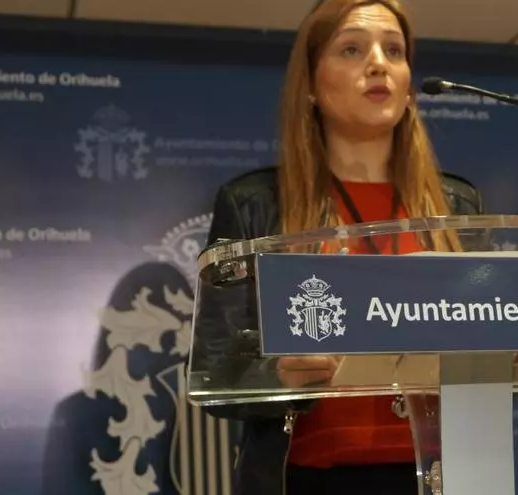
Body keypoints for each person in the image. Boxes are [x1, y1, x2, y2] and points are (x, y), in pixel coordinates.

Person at [200, 1, 484, 494]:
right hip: (311, 479)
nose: (378, 64)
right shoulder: (255, 203)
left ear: (408, 86)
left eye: (393, 51)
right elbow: (214, 369)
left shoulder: (459, 204)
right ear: (310, 85)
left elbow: (493, 356)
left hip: (441, 475)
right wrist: (279, 374)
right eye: (352, 49)